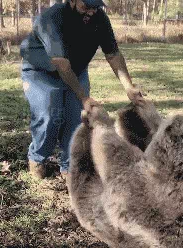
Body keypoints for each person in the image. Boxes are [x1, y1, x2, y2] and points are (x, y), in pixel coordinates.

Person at [20, 0, 144, 179]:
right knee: (49, 115)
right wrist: (84, 97)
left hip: (75, 70)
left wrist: (129, 88)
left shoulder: (100, 19)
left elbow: (113, 55)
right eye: (86, 6)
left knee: (75, 120)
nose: (92, 11)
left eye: (95, 6)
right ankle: (38, 157)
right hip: (41, 71)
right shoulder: (51, 18)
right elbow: (61, 65)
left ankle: (69, 167)